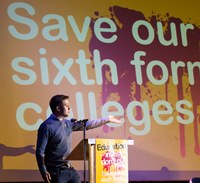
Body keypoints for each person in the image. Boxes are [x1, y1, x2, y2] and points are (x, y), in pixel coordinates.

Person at [35, 94, 123, 183]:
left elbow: (86, 125)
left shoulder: (68, 123)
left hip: (69, 168)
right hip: (56, 172)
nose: (69, 108)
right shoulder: (46, 126)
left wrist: (106, 119)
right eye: (66, 105)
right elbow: (40, 152)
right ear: (58, 108)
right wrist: (43, 171)